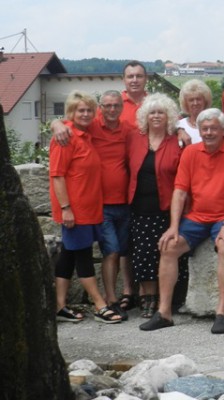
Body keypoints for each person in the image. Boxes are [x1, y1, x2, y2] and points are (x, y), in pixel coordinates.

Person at [140, 108, 224, 333]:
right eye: (205, 129)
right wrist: (173, 227)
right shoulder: (190, 153)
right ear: (199, 130)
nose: (209, 132)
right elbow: (179, 192)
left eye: (214, 128)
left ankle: (221, 313)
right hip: (197, 217)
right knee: (169, 246)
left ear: (223, 131)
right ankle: (164, 312)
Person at [50, 90, 121, 324]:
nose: (86, 113)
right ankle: (100, 305)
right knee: (83, 255)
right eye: (81, 110)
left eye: (90, 110)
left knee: (68, 255)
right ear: (71, 112)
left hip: (89, 209)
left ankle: (59, 306)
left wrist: (56, 123)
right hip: (75, 210)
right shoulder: (65, 138)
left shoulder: (85, 134)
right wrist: (66, 208)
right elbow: (57, 176)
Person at [127, 93, 184, 318]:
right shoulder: (134, 138)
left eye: (161, 112)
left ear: (168, 115)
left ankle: (167, 299)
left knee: (166, 253)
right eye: (152, 112)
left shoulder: (177, 140)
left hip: (167, 208)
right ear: (145, 116)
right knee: (143, 255)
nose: (156, 116)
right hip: (140, 207)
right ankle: (148, 298)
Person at [93, 90, 137, 321]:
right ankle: (110, 300)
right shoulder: (92, 126)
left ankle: (119, 296)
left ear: (122, 107)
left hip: (125, 203)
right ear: (100, 106)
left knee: (121, 251)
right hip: (102, 204)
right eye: (107, 105)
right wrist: (57, 126)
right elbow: (67, 124)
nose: (111, 110)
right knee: (110, 251)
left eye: (115, 106)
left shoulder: (128, 130)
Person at [176, 79, 213, 144]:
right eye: (191, 100)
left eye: (198, 99)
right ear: (185, 103)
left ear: (205, 101)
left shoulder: (215, 124)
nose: (195, 103)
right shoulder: (179, 125)